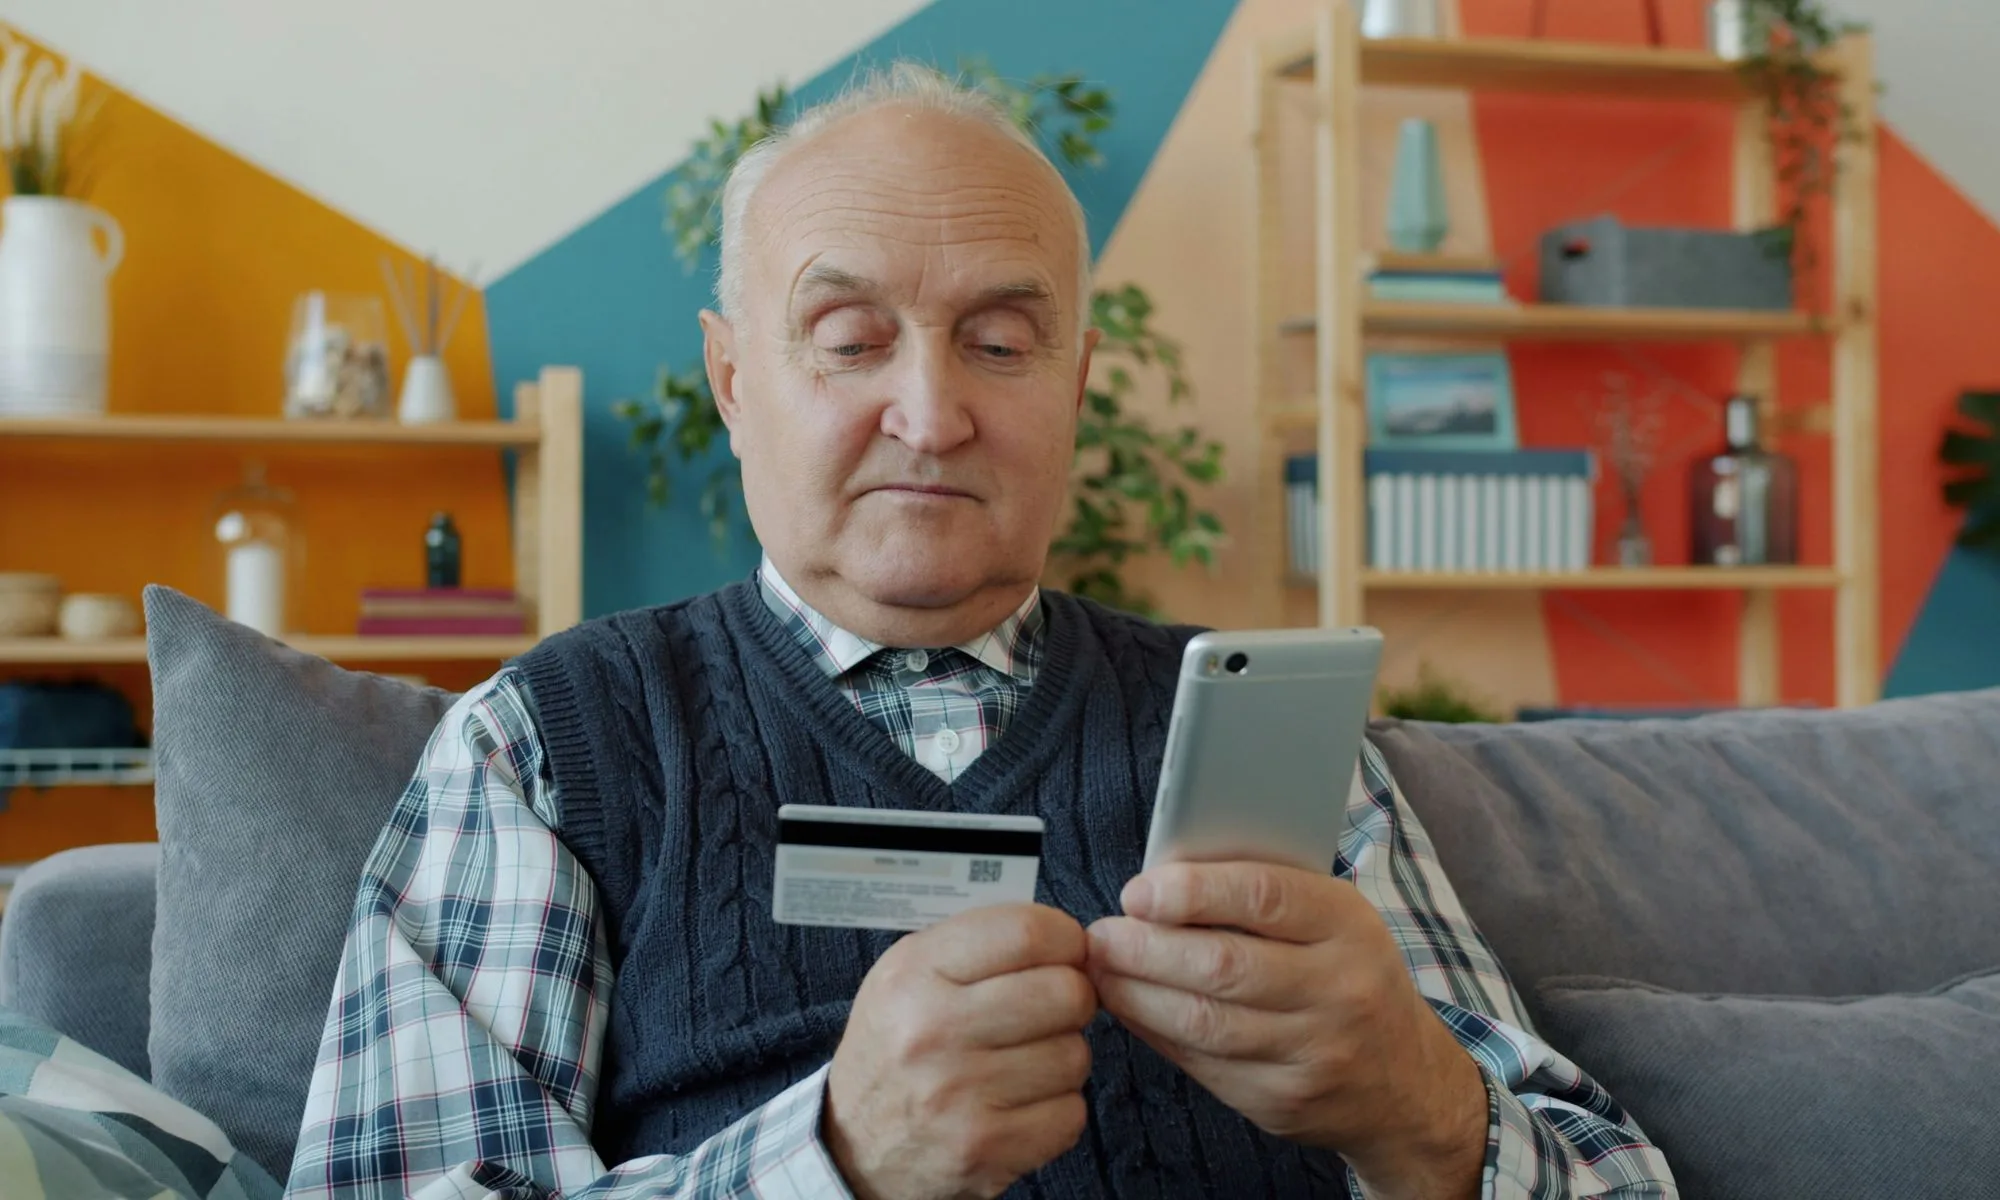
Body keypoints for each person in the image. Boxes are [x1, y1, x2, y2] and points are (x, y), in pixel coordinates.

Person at [287, 63, 1675, 1200]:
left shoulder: (1265, 734)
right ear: (732, 379)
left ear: (1076, 387)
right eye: (850, 338)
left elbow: (1618, 1185)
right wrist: (835, 1162)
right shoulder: (547, 747)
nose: (932, 413)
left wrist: (1422, 1110)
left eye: (1001, 344)